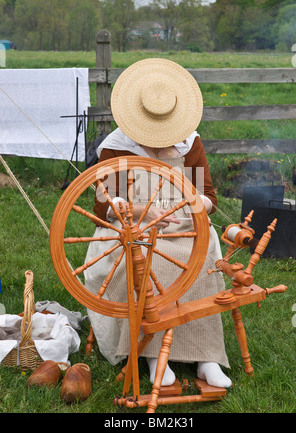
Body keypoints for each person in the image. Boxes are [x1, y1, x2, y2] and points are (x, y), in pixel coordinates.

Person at [84, 58, 232, 389]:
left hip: (184, 229)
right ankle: (154, 358)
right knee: (146, 262)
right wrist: (139, 211)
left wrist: (193, 206)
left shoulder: (189, 144)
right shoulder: (117, 147)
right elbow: (104, 203)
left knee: (203, 256)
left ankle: (206, 358)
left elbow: (209, 196)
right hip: (131, 232)